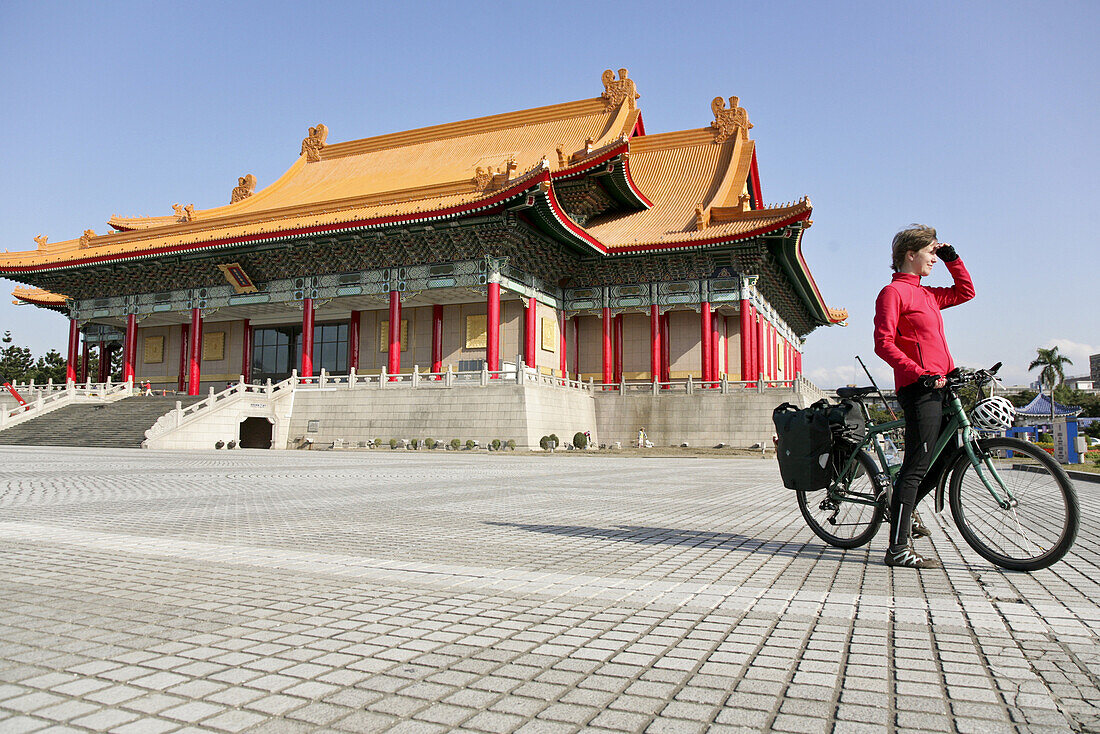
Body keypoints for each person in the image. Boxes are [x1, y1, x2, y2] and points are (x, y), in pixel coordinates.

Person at [873, 225, 975, 569]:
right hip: (919, 388)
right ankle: (898, 549)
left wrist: (953, 259)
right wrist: (919, 372)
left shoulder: (928, 295)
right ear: (910, 254)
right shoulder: (893, 293)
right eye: (931, 252)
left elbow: (966, 292)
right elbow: (883, 343)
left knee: (946, 458)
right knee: (916, 466)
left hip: (942, 385)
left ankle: (904, 506)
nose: (934, 257)